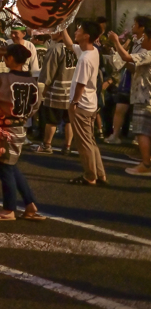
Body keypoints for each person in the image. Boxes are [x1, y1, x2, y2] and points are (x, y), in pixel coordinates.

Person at [0, 45, 47, 221]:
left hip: (5, 128)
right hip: (20, 127)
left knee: (3, 167)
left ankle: (9, 209)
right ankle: (30, 203)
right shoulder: (33, 82)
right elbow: (35, 107)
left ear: (10, 59)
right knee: (10, 166)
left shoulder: (1, 79)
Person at [62, 21, 106, 186]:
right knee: (90, 140)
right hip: (90, 104)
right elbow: (69, 45)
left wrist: (74, 102)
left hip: (82, 105)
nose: (76, 32)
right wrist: (62, 27)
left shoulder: (85, 59)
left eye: (79, 30)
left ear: (87, 35)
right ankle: (100, 174)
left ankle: (90, 176)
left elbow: (81, 84)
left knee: (84, 143)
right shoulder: (92, 51)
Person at [107, 17, 151, 175]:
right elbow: (132, 66)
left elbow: (127, 58)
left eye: (146, 37)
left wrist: (116, 42)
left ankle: (146, 165)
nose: (143, 40)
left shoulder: (148, 54)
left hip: (144, 98)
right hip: (144, 97)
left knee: (142, 131)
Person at [35, 30, 76, 154]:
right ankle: (67, 146)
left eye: (54, 31)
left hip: (57, 89)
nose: (51, 34)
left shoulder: (55, 49)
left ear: (60, 33)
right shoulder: (75, 49)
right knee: (69, 120)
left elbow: (49, 71)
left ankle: (47, 145)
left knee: (51, 120)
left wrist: (45, 89)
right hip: (72, 89)